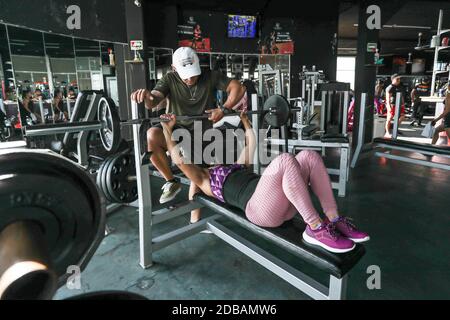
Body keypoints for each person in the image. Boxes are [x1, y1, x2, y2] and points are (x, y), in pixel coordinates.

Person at [159, 112, 369, 253]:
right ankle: (315, 226)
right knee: (286, 160)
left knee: (309, 156)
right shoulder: (205, 178)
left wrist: (244, 119)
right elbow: (178, 159)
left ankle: (333, 218)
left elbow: (252, 141)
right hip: (259, 210)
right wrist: (168, 130)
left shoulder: (236, 165)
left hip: (279, 202)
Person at [131, 47, 247, 204]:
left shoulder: (210, 76)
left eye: (193, 74)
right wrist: (147, 96)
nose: (190, 79)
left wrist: (223, 109)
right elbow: (154, 101)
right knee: (151, 135)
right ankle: (171, 182)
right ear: (174, 69)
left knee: (199, 181)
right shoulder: (169, 79)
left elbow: (238, 88)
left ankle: (195, 221)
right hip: (175, 131)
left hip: (202, 136)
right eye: (186, 76)